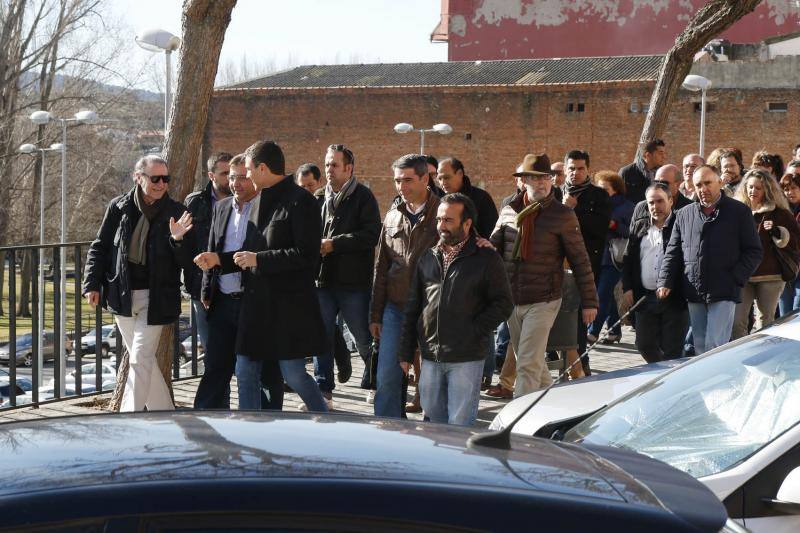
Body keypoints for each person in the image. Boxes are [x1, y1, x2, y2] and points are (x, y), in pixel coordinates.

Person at [194, 140, 328, 412]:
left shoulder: (301, 202)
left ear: (263, 169)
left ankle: (324, 417)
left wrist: (260, 260)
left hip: (287, 306)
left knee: (293, 374)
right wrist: (219, 260)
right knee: (244, 371)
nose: (246, 177)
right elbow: (248, 254)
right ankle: (250, 432)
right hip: (255, 306)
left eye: (249, 171)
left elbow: (306, 256)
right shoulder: (257, 202)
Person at [83, 155, 194, 412]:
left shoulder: (176, 212)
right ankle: (165, 414)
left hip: (156, 298)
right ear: (138, 177)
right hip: (121, 294)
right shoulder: (119, 207)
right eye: (155, 178)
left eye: (165, 179)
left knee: (140, 358)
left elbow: (187, 259)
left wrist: (177, 240)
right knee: (142, 360)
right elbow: (99, 247)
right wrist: (91, 284)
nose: (161, 184)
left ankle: (127, 419)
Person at [399, 193, 512, 425]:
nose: (441, 226)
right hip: (430, 355)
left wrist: (473, 330)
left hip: (466, 357)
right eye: (439, 219)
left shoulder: (486, 258)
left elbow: (503, 304)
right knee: (432, 421)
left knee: (460, 425)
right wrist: (405, 351)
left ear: (467, 223)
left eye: (449, 220)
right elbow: (414, 306)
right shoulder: (428, 257)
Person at [491, 153, 598, 396]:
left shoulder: (562, 215)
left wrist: (590, 301)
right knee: (534, 364)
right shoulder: (509, 211)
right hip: (513, 299)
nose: (542, 183)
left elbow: (581, 260)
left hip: (545, 299)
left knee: (527, 364)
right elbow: (491, 250)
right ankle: (554, 405)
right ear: (523, 181)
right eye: (535, 178)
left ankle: (519, 424)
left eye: (546, 178)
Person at [657, 165, 762, 354]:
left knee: (715, 346)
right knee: (699, 346)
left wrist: (735, 278)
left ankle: (719, 382)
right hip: (694, 289)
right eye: (698, 185)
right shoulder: (684, 214)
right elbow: (673, 252)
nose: (703, 189)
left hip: (724, 289)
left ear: (719, 182)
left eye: (708, 183)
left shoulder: (739, 212)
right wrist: (665, 281)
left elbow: (753, 251)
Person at [192, 154, 269, 409]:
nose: (236, 183)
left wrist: (217, 260)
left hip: (253, 301)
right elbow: (213, 249)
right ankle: (203, 422)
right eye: (233, 177)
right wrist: (206, 290)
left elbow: (256, 256)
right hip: (222, 300)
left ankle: (262, 423)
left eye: (242, 177)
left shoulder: (266, 208)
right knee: (215, 366)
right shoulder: (222, 207)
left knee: (254, 372)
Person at [371, 154, 440, 418]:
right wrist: (375, 314)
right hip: (396, 308)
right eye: (397, 181)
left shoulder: (445, 212)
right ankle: (387, 432)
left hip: (433, 310)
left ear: (425, 178)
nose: (402, 186)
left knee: (433, 381)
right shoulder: (391, 217)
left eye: (408, 180)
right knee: (387, 376)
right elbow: (381, 269)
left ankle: (435, 436)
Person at [314, 144, 381, 407]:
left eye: (334, 165)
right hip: (322, 280)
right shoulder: (319, 197)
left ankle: (374, 381)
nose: (328, 170)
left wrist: (334, 244)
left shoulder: (363, 197)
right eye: (327, 164)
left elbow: (371, 235)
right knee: (321, 336)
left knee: (363, 337)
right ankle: (323, 391)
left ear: (348, 168)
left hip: (353, 283)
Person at [622, 185, 688, 362]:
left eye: (660, 201)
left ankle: (671, 382)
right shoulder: (639, 225)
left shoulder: (680, 225)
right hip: (644, 297)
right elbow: (628, 258)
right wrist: (627, 287)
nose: (655, 206)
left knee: (672, 349)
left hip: (674, 298)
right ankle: (661, 373)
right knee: (644, 344)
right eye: (651, 202)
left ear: (671, 201)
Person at [731, 170, 800, 339]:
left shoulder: (780, 213)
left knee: (766, 320)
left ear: (767, 190)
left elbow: (794, 240)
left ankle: (762, 356)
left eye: (758, 188)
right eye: (750, 187)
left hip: (771, 275)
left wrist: (777, 231)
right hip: (743, 274)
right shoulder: (736, 211)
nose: (753, 191)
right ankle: (740, 356)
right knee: (737, 320)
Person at [563, 150, 610, 374]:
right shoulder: (555, 194)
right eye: (571, 168)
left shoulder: (599, 195)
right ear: (565, 169)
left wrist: (574, 209)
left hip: (586, 264)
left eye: (580, 168)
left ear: (588, 169)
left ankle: (582, 363)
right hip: (558, 265)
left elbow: (600, 229)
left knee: (581, 314)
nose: (576, 173)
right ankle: (562, 360)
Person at [185, 152, 232, 361]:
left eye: (233, 173)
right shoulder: (195, 203)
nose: (230, 178)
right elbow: (186, 245)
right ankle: (219, 394)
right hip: (201, 285)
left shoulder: (244, 200)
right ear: (211, 175)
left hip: (233, 283)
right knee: (212, 352)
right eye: (225, 173)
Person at [587, 171, 634, 344]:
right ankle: (614, 330)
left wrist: (614, 225)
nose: (601, 191)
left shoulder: (627, 207)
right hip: (597, 256)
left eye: (605, 188)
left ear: (615, 189)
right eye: (598, 188)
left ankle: (593, 332)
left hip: (615, 257)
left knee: (602, 293)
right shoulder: (596, 205)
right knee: (606, 294)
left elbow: (632, 231)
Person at [779, 164, 800, 315]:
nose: (790, 192)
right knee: (784, 313)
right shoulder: (781, 211)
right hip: (784, 266)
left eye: (794, 188)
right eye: (786, 189)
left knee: (797, 309)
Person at [619, 139, 665, 204]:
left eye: (664, 153)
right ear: (647, 155)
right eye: (660, 153)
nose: (664, 157)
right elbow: (619, 199)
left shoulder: (663, 173)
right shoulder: (627, 172)